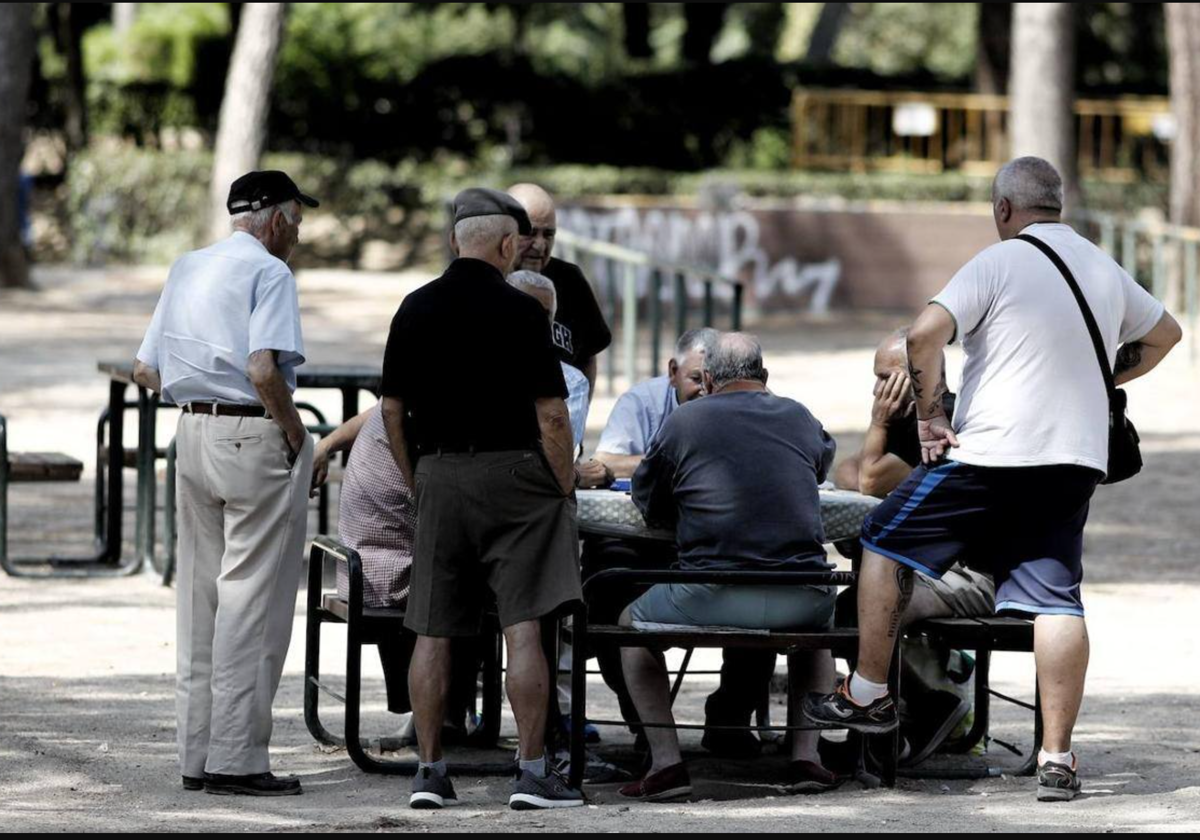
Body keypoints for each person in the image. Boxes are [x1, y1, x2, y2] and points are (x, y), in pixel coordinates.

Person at [804, 157, 1183, 802]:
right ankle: (1057, 759)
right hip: (1075, 459)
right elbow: (1166, 334)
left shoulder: (998, 260)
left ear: (1004, 209)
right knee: (1057, 598)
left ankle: (866, 693)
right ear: (1058, 204)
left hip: (994, 455)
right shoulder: (1100, 265)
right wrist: (1101, 381)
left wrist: (928, 419)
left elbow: (924, 336)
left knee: (881, 538)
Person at [381, 187, 585, 811]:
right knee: (525, 626)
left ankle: (431, 772)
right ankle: (529, 773)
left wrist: (418, 476)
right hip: (517, 478)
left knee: (433, 628)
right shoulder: (524, 314)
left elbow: (390, 410)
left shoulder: (413, 308)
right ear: (506, 245)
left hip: (440, 473)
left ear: (452, 242)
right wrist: (564, 483)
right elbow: (552, 414)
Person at [132, 170, 319, 796]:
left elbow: (144, 369)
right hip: (252, 435)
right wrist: (293, 431)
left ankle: (196, 755)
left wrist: (200, 395)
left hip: (191, 434)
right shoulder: (270, 273)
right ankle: (237, 760)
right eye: (295, 219)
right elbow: (264, 368)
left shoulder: (188, 266)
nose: (297, 232)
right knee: (251, 601)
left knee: (199, 597)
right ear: (272, 220)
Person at [618, 333, 841, 801]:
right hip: (800, 595)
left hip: (709, 593)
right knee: (817, 634)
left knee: (628, 629)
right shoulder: (800, 415)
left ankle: (666, 764)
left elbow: (649, 499)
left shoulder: (685, 420)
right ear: (765, 376)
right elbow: (820, 467)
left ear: (711, 379)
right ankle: (807, 757)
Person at [832, 329, 995, 768]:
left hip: (971, 576)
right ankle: (882, 730)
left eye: (886, 378)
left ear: (919, 377)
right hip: (933, 571)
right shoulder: (910, 424)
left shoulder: (949, 425)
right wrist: (880, 438)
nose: (876, 390)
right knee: (860, 599)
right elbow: (848, 469)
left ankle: (931, 706)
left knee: (856, 611)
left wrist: (878, 425)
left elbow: (868, 480)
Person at [508, 184, 612, 396]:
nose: (539, 245)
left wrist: (580, 414)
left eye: (548, 234)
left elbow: (588, 356)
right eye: (529, 233)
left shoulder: (570, 280)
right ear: (505, 231)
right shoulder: (485, 279)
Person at [594, 328, 715, 478]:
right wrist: (684, 463)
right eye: (696, 379)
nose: (706, 390)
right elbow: (605, 462)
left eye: (716, 380)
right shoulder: (641, 401)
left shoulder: (734, 398)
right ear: (673, 372)